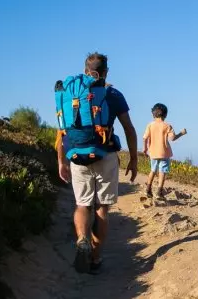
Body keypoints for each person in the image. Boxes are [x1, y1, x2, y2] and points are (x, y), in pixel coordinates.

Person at [56, 52, 138, 274]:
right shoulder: (112, 94)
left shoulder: (70, 93)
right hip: (105, 155)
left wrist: (61, 161)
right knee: (102, 208)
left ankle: (82, 239)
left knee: (82, 204)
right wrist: (133, 158)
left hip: (76, 154)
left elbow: (62, 129)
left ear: (85, 69)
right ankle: (95, 257)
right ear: (106, 72)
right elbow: (129, 128)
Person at [142, 103, 187, 198]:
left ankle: (148, 189)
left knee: (153, 170)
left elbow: (145, 138)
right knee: (162, 171)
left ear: (153, 114)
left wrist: (145, 148)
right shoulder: (167, 126)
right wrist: (181, 133)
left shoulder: (150, 125)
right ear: (165, 115)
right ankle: (159, 192)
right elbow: (172, 138)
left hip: (153, 152)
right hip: (164, 153)